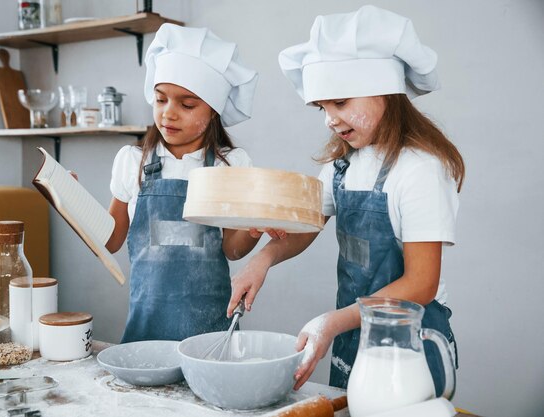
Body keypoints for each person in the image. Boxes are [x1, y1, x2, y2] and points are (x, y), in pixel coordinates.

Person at [226, 5, 465, 396]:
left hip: (411, 342)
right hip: (356, 330)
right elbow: (308, 226)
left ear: (385, 91)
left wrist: (332, 322)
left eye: (340, 102)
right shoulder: (343, 166)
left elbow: (421, 283)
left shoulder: (420, 169)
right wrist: (262, 260)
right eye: (322, 108)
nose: (330, 120)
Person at [107, 23, 263, 343]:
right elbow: (111, 241)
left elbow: (232, 250)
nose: (169, 114)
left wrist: (255, 226)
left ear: (213, 110)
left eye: (187, 104)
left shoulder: (230, 165)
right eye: (161, 99)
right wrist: (70, 204)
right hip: (146, 324)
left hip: (209, 328)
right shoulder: (131, 161)